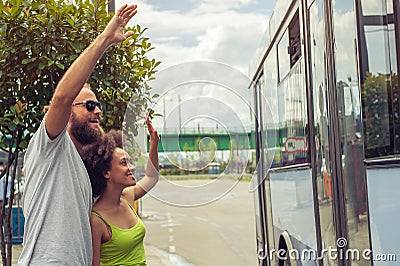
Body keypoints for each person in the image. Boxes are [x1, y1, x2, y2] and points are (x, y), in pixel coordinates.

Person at [18, 4, 139, 265]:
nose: (97, 112)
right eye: (89, 105)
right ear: (68, 112)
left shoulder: (83, 166)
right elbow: (63, 96)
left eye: (99, 106)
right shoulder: (51, 146)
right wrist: (106, 39)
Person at [82, 115, 159, 266]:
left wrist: (154, 145)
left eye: (130, 162)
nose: (132, 167)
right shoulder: (96, 220)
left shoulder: (127, 197)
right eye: (124, 163)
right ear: (106, 172)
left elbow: (152, 177)